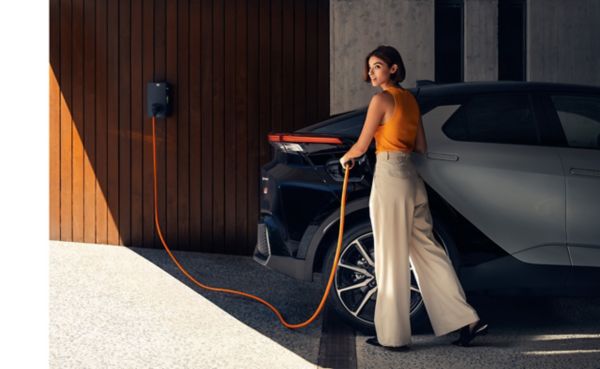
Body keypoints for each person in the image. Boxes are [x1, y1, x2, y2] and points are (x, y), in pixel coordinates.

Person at [339, 45, 488, 351]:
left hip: (390, 178)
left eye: (378, 66)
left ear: (394, 68)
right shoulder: (410, 100)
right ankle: (466, 320)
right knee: (429, 253)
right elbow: (421, 146)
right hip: (411, 178)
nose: (371, 72)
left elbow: (361, 145)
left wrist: (345, 158)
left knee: (390, 257)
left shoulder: (381, 99)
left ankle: (392, 338)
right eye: (369, 67)